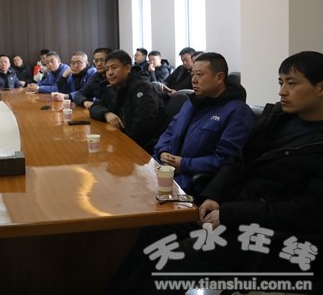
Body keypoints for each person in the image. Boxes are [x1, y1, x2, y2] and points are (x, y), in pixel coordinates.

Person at [106, 51, 323, 294]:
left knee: (172, 259)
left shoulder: (311, 138)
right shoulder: (278, 120)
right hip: (231, 209)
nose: (282, 91)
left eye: (291, 83)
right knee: (153, 232)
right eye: (281, 83)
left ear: (320, 88)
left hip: (267, 232)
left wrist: (228, 213)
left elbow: (306, 211)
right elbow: (237, 161)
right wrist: (213, 196)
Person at [152, 52, 256, 196]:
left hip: (194, 184)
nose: (194, 80)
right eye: (192, 74)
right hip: (168, 173)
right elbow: (170, 131)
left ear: (219, 77)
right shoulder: (191, 103)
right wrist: (163, 151)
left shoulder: (238, 112)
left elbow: (227, 160)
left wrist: (184, 164)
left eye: (199, 75)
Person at [89, 50, 166, 147]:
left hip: (145, 147)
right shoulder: (114, 86)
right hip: (121, 138)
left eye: (114, 68)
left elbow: (141, 128)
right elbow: (95, 107)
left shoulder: (142, 88)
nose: (110, 73)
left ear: (127, 68)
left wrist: (121, 145)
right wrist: (106, 113)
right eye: (107, 69)